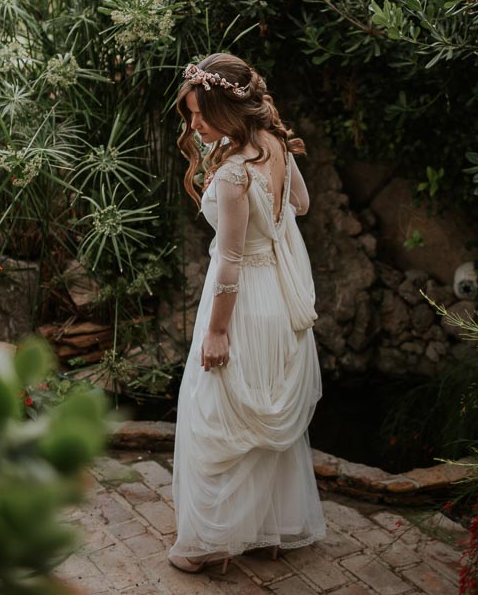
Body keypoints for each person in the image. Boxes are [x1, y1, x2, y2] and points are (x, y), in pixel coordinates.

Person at [167, 53, 326, 574]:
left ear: (225, 107)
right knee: (259, 420)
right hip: (277, 302)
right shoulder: (274, 144)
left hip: (240, 303)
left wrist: (215, 332)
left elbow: (231, 261)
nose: (193, 125)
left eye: (199, 113)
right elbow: (299, 204)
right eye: (189, 114)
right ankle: (266, 534)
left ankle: (208, 544)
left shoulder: (235, 173)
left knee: (217, 419)